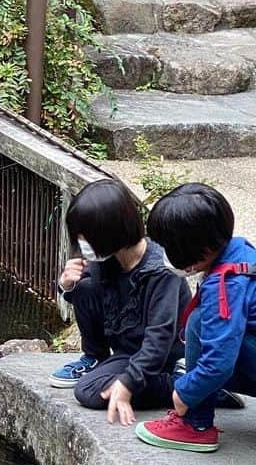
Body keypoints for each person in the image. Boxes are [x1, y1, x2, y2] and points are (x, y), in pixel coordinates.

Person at [51, 179, 190, 426]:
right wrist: (66, 285)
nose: (83, 246)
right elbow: (84, 296)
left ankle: (183, 385)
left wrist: (128, 383)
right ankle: (95, 357)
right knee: (84, 284)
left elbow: (159, 339)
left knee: (88, 390)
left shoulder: (161, 271)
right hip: (127, 350)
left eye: (87, 239)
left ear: (110, 232)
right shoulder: (108, 258)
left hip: (163, 357)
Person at [138, 183, 256, 452]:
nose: (165, 254)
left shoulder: (225, 285)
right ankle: (206, 396)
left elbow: (219, 362)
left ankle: (195, 425)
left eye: (169, 246)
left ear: (200, 250)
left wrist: (185, 392)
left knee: (200, 323)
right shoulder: (240, 251)